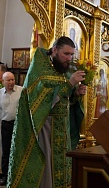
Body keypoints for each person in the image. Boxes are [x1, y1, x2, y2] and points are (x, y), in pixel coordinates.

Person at [7, 36, 87, 188]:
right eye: (66, 54)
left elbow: (63, 99)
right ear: (55, 50)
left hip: (62, 129)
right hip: (43, 128)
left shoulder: (62, 71)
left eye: (71, 55)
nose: (69, 58)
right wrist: (70, 84)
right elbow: (40, 98)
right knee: (46, 170)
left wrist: (75, 94)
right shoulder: (39, 68)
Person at [0, 72, 23, 185]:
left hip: (18, 125)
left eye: (13, 80)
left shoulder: (21, 91)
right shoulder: (0, 94)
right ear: (3, 81)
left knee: (18, 150)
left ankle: (18, 175)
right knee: (6, 151)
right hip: (5, 125)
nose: (11, 82)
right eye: (8, 80)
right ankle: (5, 175)